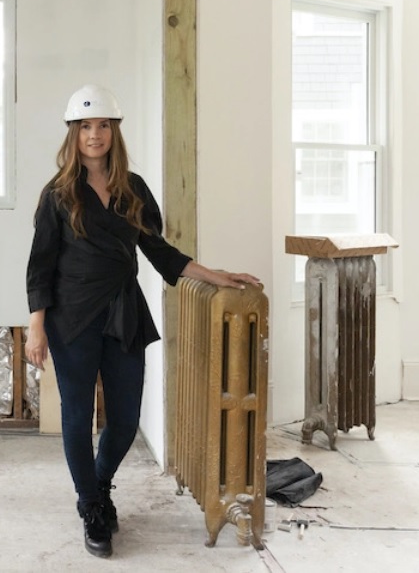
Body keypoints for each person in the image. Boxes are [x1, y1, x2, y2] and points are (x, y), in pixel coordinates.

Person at [24, 84, 261, 559]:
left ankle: (100, 484)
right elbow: (40, 265)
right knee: (76, 416)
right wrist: (36, 326)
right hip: (71, 318)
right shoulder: (57, 194)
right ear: (73, 133)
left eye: (104, 126)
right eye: (86, 126)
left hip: (124, 313)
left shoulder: (134, 189)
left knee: (126, 420)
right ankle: (91, 505)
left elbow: (161, 253)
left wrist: (216, 274)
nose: (95, 135)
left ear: (114, 132)